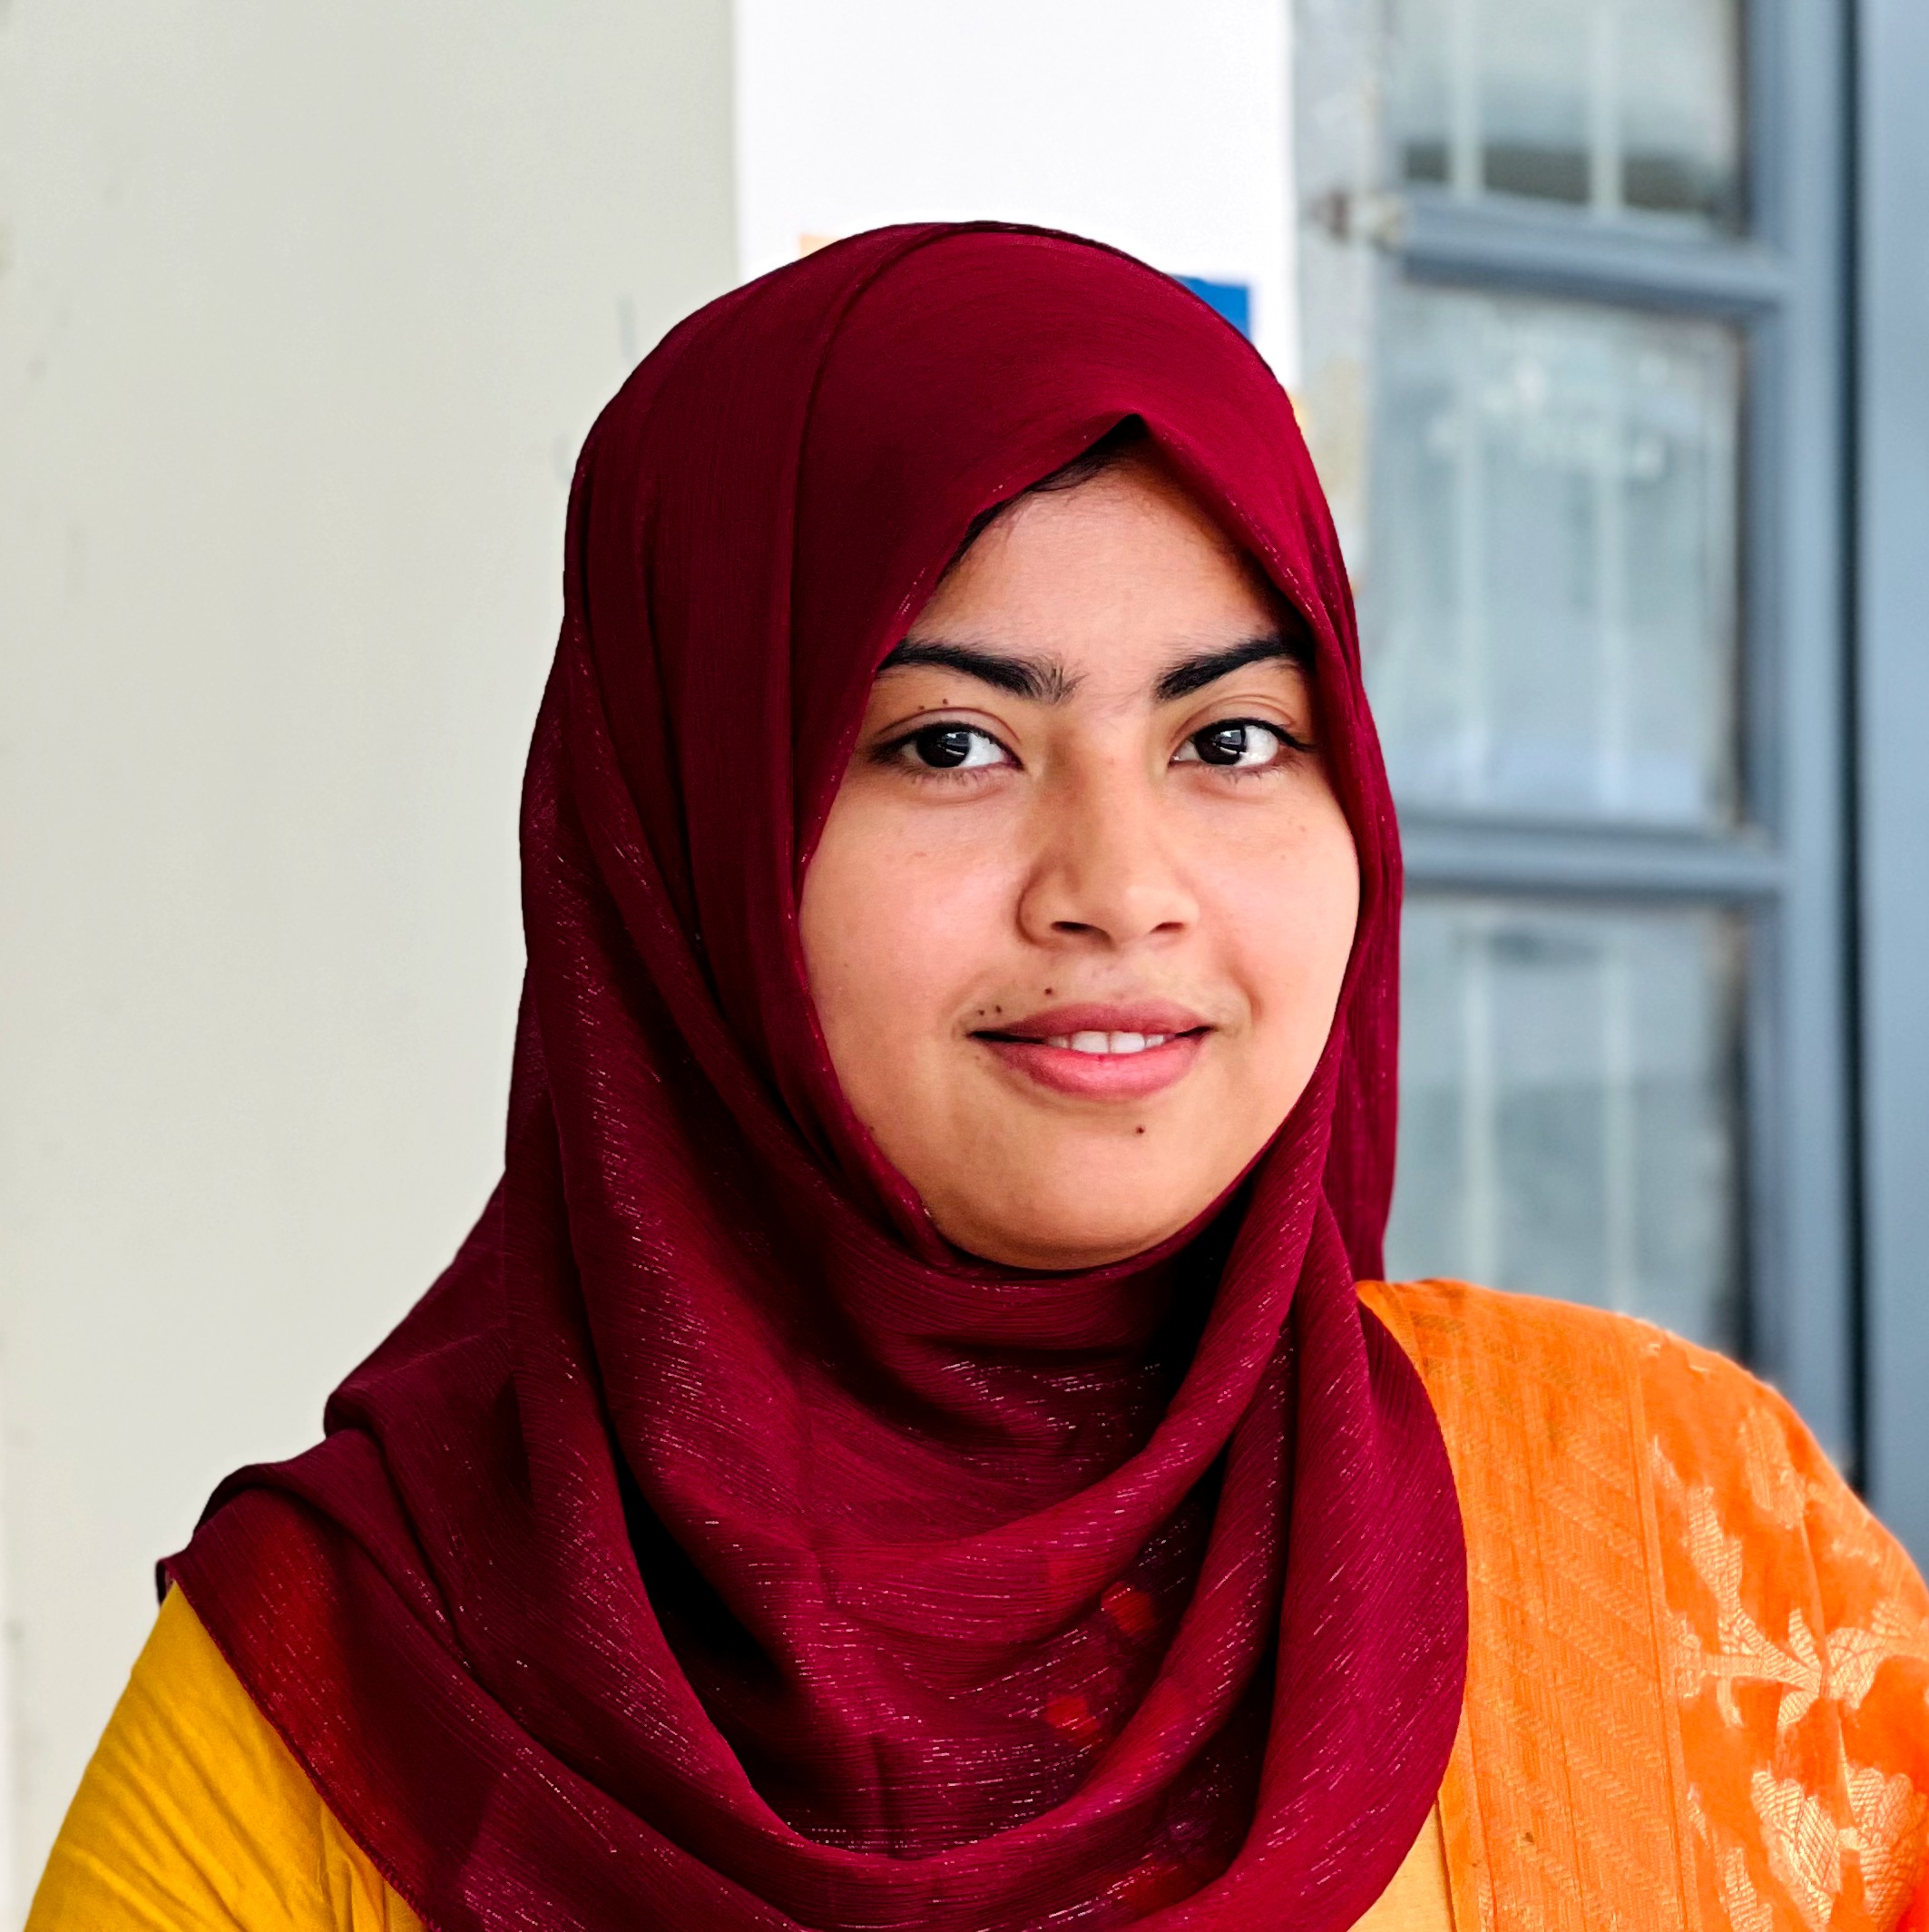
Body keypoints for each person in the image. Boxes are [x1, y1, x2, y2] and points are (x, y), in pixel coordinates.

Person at [28, 224, 1929, 1932]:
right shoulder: (364, 1679)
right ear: (685, 846)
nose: (1118, 887)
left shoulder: (1670, 1534)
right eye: (948, 743)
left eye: (1232, 737)